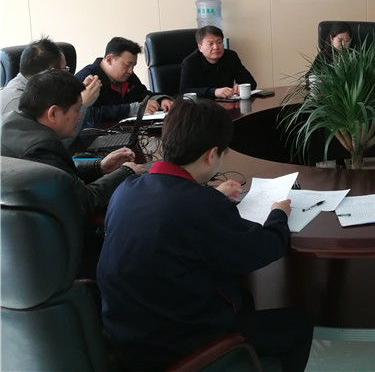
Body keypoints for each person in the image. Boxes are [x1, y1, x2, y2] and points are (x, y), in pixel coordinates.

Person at [97, 98, 312, 371]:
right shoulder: (200, 206)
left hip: (125, 337)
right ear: (211, 155)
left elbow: (174, 207)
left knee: (243, 298)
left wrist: (213, 195)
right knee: (299, 324)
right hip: (173, 347)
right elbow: (264, 248)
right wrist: (278, 214)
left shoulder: (127, 189)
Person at [1, 70, 145, 219]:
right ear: (53, 113)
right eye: (76, 110)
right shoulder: (42, 145)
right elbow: (85, 202)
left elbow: (56, 173)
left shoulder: (10, 123)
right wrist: (126, 172)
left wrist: (99, 167)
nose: (80, 116)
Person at [1, 37, 101, 123]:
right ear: (52, 73)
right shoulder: (18, 105)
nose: (67, 75)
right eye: (65, 69)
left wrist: (79, 95)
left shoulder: (41, 91)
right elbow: (51, 139)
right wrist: (82, 105)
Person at [75, 37, 173, 123]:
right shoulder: (85, 79)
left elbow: (142, 94)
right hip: (97, 134)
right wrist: (133, 109)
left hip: (127, 130)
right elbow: (90, 115)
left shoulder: (128, 75)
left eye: (133, 66)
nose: (131, 71)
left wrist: (161, 100)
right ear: (109, 59)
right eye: (127, 65)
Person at [180, 26, 257, 99]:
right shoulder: (190, 62)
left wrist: (241, 87)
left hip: (227, 103)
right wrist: (214, 92)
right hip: (202, 105)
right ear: (200, 47)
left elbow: (251, 83)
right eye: (210, 44)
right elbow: (185, 91)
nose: (216, 47)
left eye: (219, 42)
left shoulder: (230, 56)